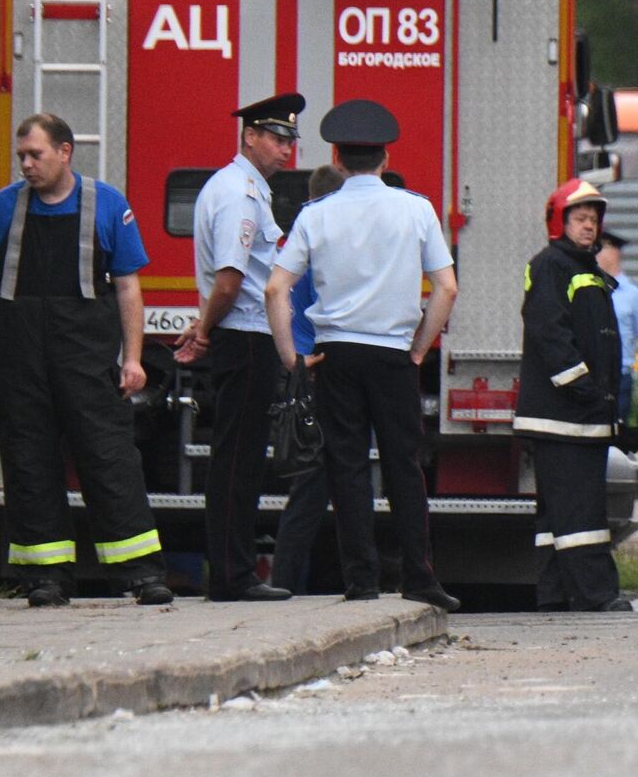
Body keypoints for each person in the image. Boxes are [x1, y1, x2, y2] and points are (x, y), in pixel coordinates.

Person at [0, 112, 171, 607]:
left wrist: (133, 359)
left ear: (65, 152)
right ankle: (46, 577)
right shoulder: (4, 205)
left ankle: (140, 573)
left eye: (35, 155)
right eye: (21, 156)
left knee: (109, 458)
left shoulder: (106, 203)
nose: (25, 164)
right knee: (28, 461)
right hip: (18, 360)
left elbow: (130, 287)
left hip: (85, 357)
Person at [264, 99, 460, 611]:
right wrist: (418, 349)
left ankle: (361, 580)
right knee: (404, 466)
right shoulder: (416, 209)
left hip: (336, 355)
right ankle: (419, 575)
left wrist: (291, 358)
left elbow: (274, 289)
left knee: (346, 467)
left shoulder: (315, 214)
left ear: (337, 156)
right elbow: (446, 288)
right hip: (394, 355)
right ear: (386, 158)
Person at [173, 93, 304, 603]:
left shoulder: (242, 189)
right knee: (238, 460)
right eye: (275, 137)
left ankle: (234, 571)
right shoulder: (241, 195)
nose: (285, 149)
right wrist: (205, 330)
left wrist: (203, 323)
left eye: (290, 139)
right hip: (246, 336)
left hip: (243, 333)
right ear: (249, 135)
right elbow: (229, 282)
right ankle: (233, 576)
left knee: (240, 457)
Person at [514, 179, 629, 612]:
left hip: (575, 414)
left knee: (556, 515)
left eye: (594, 220)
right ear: (559, 222)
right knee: (581, 511)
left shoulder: (585, 270)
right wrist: (583, 388)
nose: (589, 227)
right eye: (580, 219)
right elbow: (548, 331)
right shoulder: (551, 265)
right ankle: (598, 594)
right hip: (563, 415)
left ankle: (554, 593)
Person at [269, 163, 344, 595]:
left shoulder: (294, 239)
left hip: (302, 369)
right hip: (325, 366)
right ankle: (332, 580)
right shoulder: (327, 239)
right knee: (329, 484)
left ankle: (286, 581)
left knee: (309, 488)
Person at [595, 230, 638, 432]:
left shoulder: (633, 294)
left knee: (616, 432)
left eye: (602, 249)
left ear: (615, 253)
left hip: (620, 377)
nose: (596, 254)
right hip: (591, 376)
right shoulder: (588, 288)